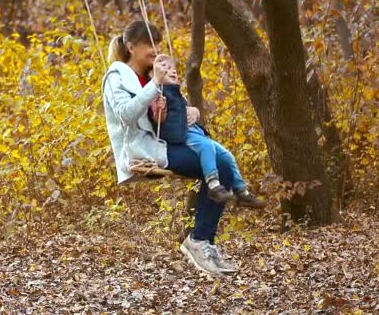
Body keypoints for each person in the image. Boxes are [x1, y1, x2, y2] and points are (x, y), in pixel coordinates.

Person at [102, 20, 238, 274]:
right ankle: (198, 241)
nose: (155, 51)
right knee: (218, 166)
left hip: (168, 141)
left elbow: (168, 112)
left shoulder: (149, 77)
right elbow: (125, 115)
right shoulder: (117, 77)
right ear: (131, 47)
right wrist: (154, 84)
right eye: (149, 46)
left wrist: (192, 112)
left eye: (157, 45)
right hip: (144, 150)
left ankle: (203, 242)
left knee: (224, 163)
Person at [147, 56, 266, 208]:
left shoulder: (177, 93)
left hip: (195, 132)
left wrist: (194, 111)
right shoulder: (158, 94)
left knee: (227, 155)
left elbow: (186, 111)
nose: (173, 71)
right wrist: (160, 108)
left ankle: (242, 192)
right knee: (206, 147)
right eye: (167, 69)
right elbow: (157, 119)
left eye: (174, 69)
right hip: (181, 133)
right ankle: (214, 185)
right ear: (155, 75)